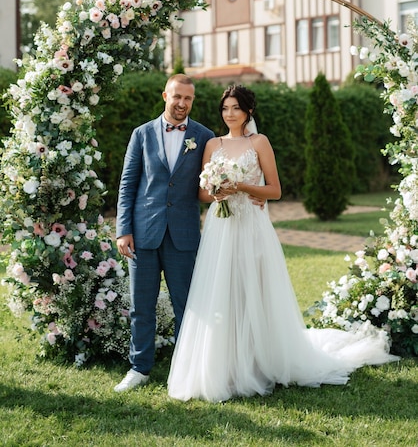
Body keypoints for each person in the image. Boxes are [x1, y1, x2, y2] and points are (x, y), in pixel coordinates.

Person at [167, 84, 399, 402]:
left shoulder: (258, 142)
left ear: (248, 111)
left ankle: (261, 362)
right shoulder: (212, 144)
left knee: (255, 291)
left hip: (251, 226)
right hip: (221, 228)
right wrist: (217, 192)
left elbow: (275, 190)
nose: (229, 114)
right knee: (223, 291)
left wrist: (243, 186)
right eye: (225, 108)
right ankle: (226, 365)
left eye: (235, 108)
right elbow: (203, 194)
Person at [114, 74, 215, 393]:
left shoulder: (204, 136)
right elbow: (128, 184)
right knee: (141, 306)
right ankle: (139, 368)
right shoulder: (141, 134)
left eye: (188, 98)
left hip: (183, 234)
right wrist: (123, 230)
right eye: (177, 97)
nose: (182, 103)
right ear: (165, 96)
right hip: (143, 234)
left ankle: (188, 367)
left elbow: (209, 183)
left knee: (188, 304)